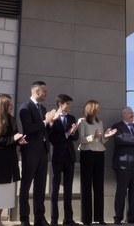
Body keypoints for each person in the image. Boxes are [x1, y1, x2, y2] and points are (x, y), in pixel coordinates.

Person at [18, 81, 57, 226]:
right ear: (36, 91)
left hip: (43, 151)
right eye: (44, 91)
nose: (46, 94)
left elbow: (45, 131)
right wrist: (46, 121)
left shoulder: (43, 108)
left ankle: (39, 218)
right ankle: (24, 218)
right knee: (26, 185)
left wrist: (51, 123)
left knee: (40, 186)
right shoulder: (25, 107)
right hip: (30, 151)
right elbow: (28, 129)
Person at [0, 94, 27, 226]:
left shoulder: (12, 120)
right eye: (9, 104)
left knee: (6, 191)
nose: (12, 106)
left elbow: (14, 138)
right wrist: (13, 139)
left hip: (10, 160)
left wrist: (20, 141)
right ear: (3, 106)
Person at [77, 100, 116, 226]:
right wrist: (93, 137)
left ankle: (99, 218)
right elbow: (81, 140)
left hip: (99, 154)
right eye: (97, 108)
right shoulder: (82, 121)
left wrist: (106, 135)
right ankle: (86, 219)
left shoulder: (100, 122)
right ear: (91, 109)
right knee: (86, 186)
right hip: (87, 154)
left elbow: (102, 141)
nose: (99, 110)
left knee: (99, 186)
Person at [48, 94, 80, 226]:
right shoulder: (52, 117)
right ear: (61, 105)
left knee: (68, 188)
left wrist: (73, 132)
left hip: (69, 157)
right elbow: (51, 137)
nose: (70, 107)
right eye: (68, 104)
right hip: (57, 156)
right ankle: (54, 219)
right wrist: (67, 134)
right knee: (55, 189)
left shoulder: (72, 118)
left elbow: (75, 137)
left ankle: (68, 219)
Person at [112, 107, 134, 225]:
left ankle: (132, 217)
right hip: (123, 165)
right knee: (121, 192)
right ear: (123, 115)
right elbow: (122, 140)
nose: (132, 115)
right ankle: (118, 217)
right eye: (129, 113)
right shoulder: (117, 127)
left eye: (133, 113)